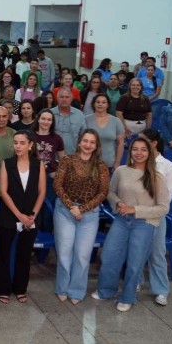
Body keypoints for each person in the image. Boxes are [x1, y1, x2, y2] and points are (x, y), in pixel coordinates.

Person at [92, 137, 170, 312]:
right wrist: (118, 202)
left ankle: (127, 297)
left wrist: (134, 209)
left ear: (149, 153)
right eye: (135, 149)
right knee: (109, 257)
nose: (139, 153)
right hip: (121, 221)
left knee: (135, 263)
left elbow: (163, 208)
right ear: (130, 151)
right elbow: (110, 192)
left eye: (143, 149)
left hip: (144, 224)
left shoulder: (157, 177)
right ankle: (106, 291)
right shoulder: (121, 171)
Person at [53, 129, 110, 304]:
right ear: (79, 142)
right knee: (64, 252)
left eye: (92, 142)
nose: (88, 145)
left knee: (82, 255)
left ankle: (76, 290)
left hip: (90, 214)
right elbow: (57, 185)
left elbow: (103, 192)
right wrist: (72, 207)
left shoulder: (101, 166)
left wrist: (83, 209)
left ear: (96, 146)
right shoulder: (67, 160)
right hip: (65, 211)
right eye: (85, 141)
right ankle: (62, 287)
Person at [0, 130, 46, 304]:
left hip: (30, 217)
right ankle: (3, 288)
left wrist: (31, 215)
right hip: (9, 215)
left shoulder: (38, 165)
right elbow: (3, 191)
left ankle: (20, 288)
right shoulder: (7, 163)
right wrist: (19, 215)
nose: (18, 146)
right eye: (15, 142)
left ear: (31, 145)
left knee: (24, 254)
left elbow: (42, 192)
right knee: (4, 252)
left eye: (22, 143)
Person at [138, 129, 172, 307]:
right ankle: (136, 282)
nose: (138, 148)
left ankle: (161, 290)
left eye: (144, 142)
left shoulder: (167, 166)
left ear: (154, 143)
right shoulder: (137, 163)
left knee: (157, 254)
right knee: (137, 251)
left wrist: (150, 209)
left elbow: (166, 196)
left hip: (156, 215)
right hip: (138, 213)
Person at [85, 94, 125, 171]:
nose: (100, 104)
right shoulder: (86, 119)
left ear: (108, 105)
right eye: (98, 102)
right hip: (89, 162)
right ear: (94, 104)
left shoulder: (116, 121)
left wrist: (117, 162)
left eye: (103, 102)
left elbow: (120, 143)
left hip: (109, 163)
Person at [51, 88, 85, 154]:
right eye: (61, 97)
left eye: (67, 97)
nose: (64, 99)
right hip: (52, 157)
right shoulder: (50, 114)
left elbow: (83, 135)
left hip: (73, 156)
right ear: (57, 98)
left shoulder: (79, 114)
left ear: (71, 99)